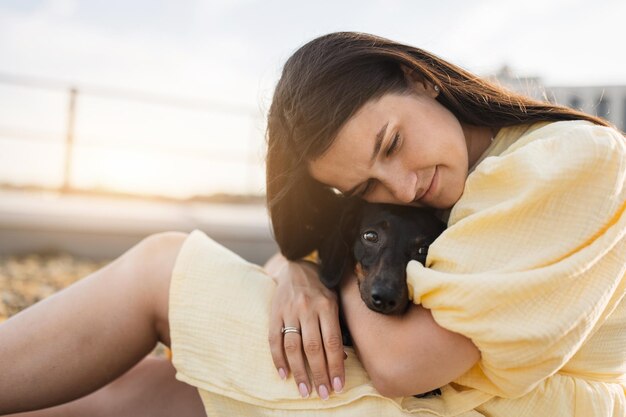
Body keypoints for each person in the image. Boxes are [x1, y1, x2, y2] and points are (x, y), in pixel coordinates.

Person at [1, 31, 624, 417]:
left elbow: (405, 364)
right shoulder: (456, 182)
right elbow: (323, 251)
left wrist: (332, 272)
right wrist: (293, 275)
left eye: (392, 141)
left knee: (161, 268)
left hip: (479, 407)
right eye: (367, 187)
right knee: (181, 387)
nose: (403, 186)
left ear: (418, 77)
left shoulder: (569, 159)